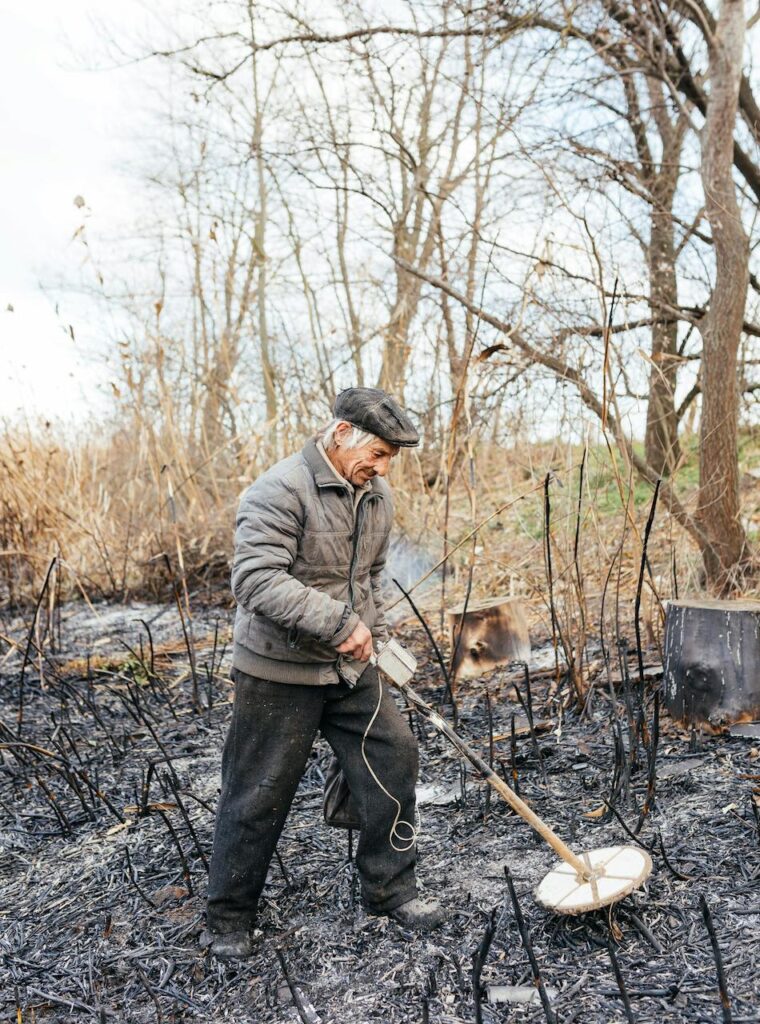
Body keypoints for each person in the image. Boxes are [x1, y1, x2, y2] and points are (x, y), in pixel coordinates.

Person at [204, 387, 446, 958]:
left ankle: (389, 888)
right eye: (379, 454)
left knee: (394, 754)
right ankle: (228, 919)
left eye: (390, 458)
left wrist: (374, 636)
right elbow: (255, 580)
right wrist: (340, 623)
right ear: (340, 435)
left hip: (348, 666)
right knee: (258, 792)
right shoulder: (277, 490)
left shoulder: (375, 495)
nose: (383, 469)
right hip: (277, 670)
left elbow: (373, 576)